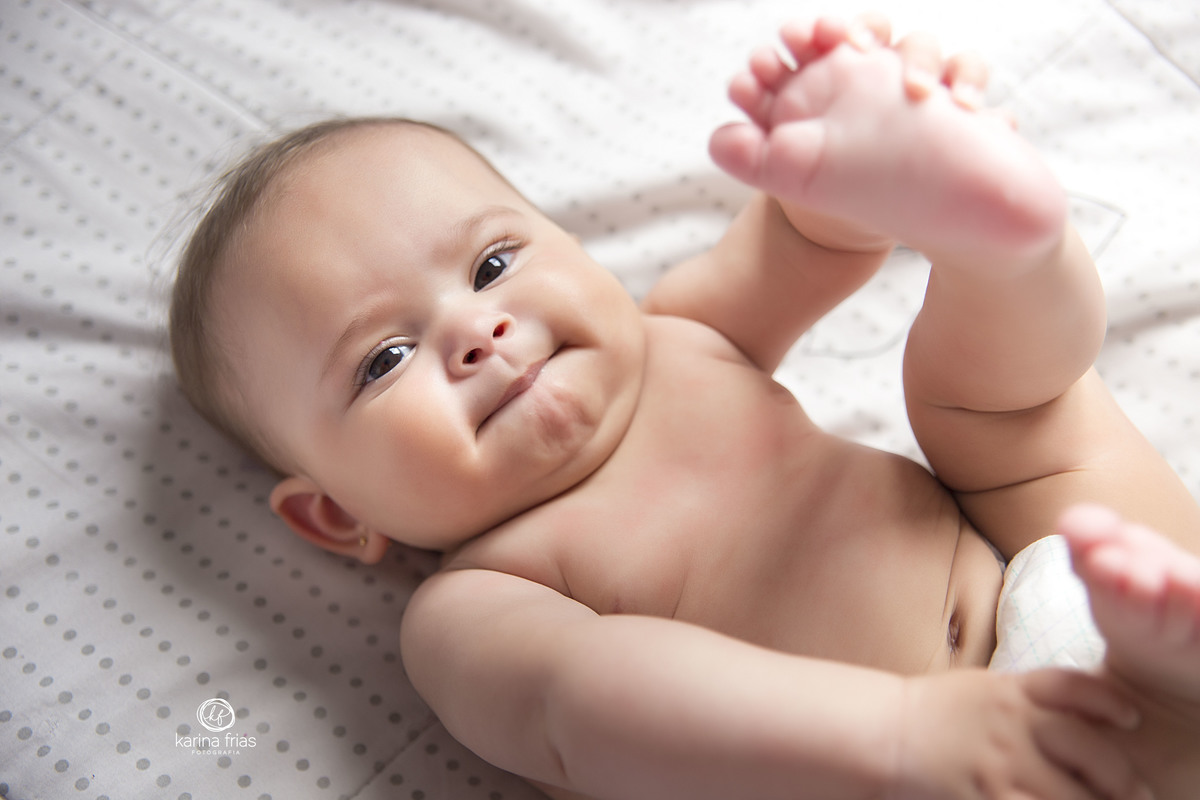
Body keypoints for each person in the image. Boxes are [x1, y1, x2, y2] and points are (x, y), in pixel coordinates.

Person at [168, 14, 1200, 800]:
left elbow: (809, 240)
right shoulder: (478, 603)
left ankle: (1004, 246)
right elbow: (582, 705)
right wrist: (898, 735)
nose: (476, 331)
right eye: (384, 359)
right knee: (986, 419)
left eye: (491, 264)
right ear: (336, 513)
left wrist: (843, 170)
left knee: (1001, 417)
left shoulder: (683, 331)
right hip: (904, 770)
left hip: (1069, 595)